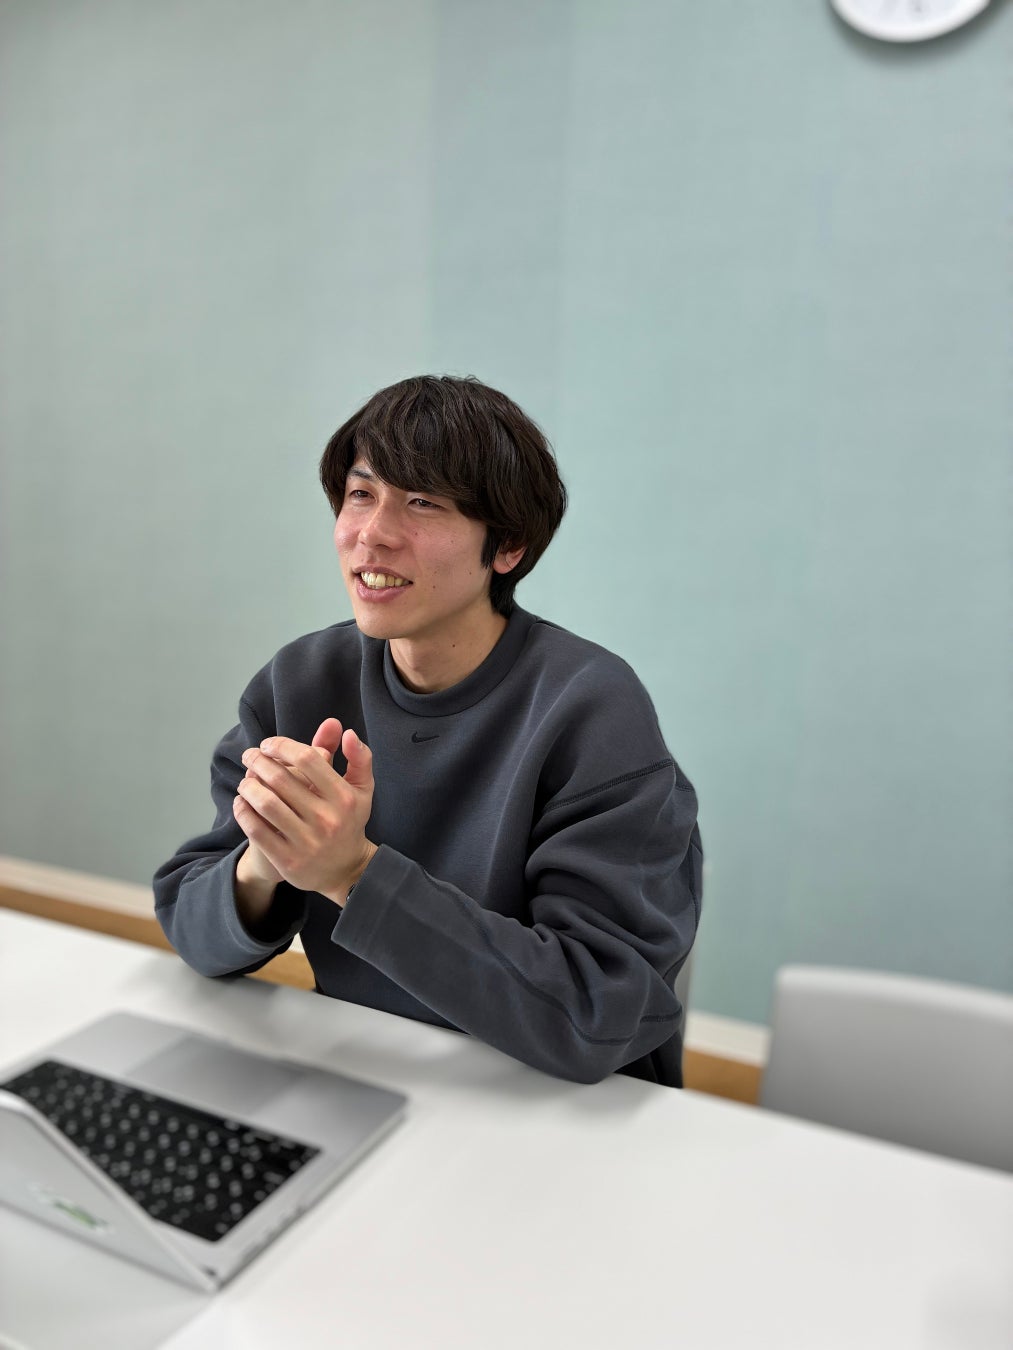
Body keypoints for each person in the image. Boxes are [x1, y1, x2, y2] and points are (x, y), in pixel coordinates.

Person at [154, 375, 702, 1086]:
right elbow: (192, 927)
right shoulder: (301, 682)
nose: (372, 533)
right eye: (361, 494)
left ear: (508, 545)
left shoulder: (592, 710)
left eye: (422, 503)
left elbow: (596, 1012)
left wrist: (351, 874)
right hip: (368, 1078)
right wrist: (267, 858)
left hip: (553, 1107)